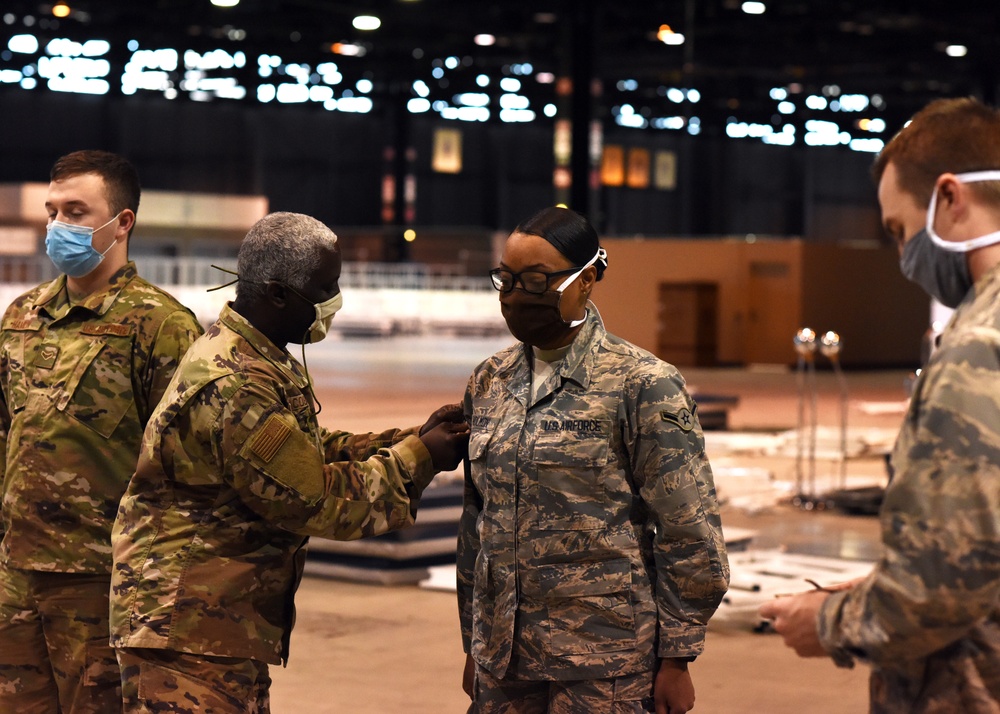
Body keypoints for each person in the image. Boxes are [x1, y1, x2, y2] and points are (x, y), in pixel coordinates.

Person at [110, 211, 470, 712]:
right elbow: (314, 499)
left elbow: (306, 449)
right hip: (188, 632)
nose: (334, 302)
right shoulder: (237, 384)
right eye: (326, 289)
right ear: (278, 293)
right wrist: (420, 458)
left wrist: (412, 436)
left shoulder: (253, 355)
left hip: (213, 624)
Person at [758, 97, 1000, 712]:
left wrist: (830, 618)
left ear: (951, 199)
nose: (902, 255)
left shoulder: (978, 351)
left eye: (899, 230)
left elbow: (941, 590)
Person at [457, 206, 730, 714]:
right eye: (507, 279)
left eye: (537, 280)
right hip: (504, 658)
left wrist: (678, 656)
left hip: (604, 664)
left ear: (588, 279)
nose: (517, 296)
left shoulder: (643, 384)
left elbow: (687, 526)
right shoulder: (488, 381)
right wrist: (474, 640)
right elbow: (478, 524)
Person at [0, 150, 203, 713]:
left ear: (122, 222)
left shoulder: (162, 326)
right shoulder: (20, 317)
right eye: (52, 211)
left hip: (101, 581)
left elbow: (183, 468)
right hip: (15, 574)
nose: (58, 225)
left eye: (76, 211)